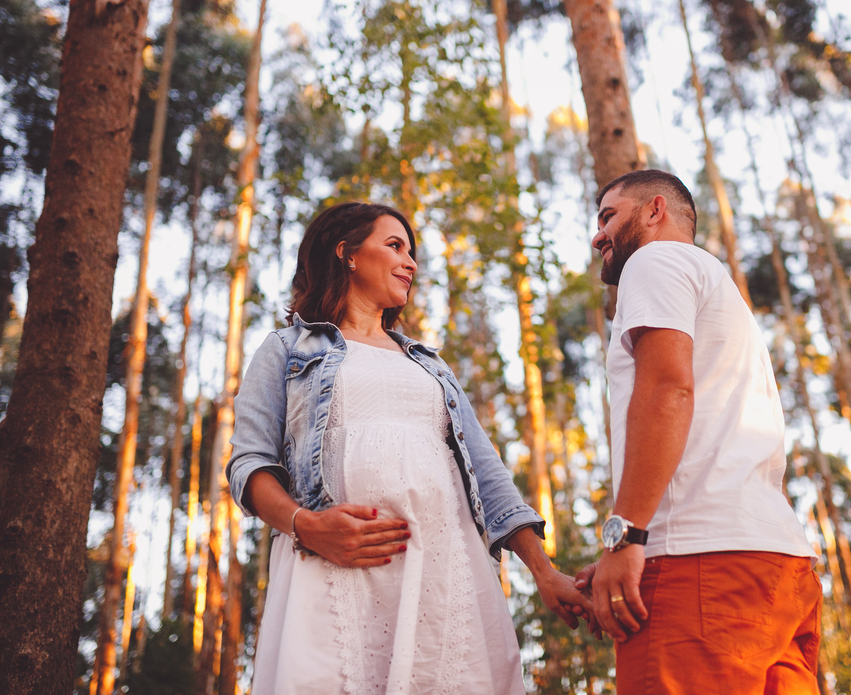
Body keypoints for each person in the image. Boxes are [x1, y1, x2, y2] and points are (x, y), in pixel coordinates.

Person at [226, 201, 593, 695]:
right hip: (333, 568)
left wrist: (544, 572)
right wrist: (307, 525)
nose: (411, 263)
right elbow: (250, 465)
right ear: (347, 254)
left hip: (445, 571)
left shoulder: (429, 364)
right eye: (394, 246)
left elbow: (486, 472)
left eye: (411, 251)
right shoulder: (288, 348)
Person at [575, 170, 822, 694]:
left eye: (607, 217)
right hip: (776, 567)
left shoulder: (654, 260)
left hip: (697, 566)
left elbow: (668, 389)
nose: (597, 235)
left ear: (654, 211)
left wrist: (627, 536)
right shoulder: (717, 286)